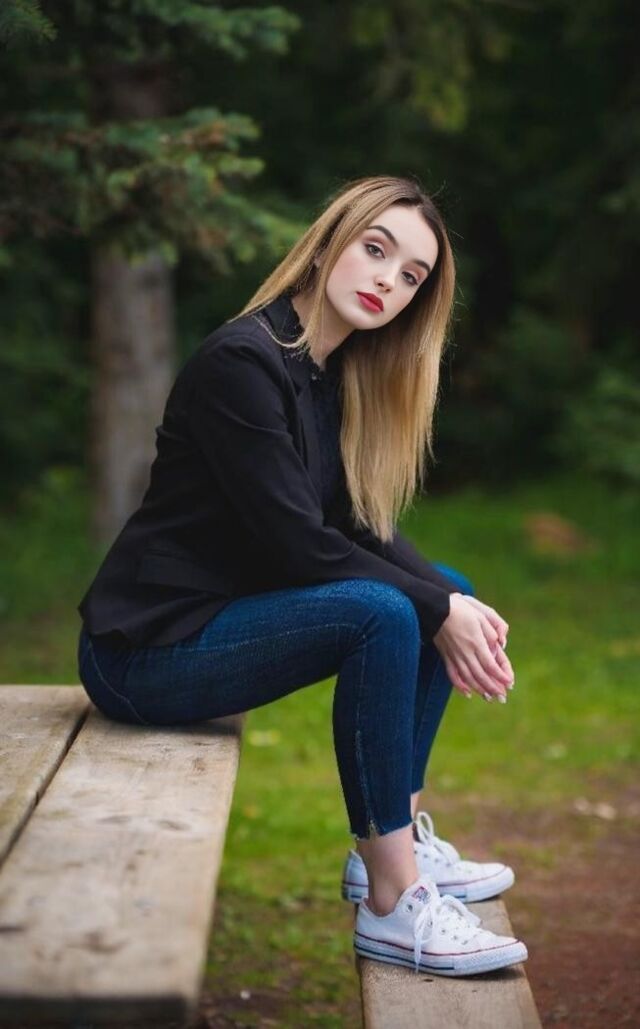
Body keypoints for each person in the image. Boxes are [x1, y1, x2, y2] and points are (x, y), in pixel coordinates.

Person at [77, 174, 528, 977]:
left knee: (439, 584)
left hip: (211, 623)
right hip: (142, 653)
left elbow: (355, 524)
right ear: (326, 246)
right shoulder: (243, 363)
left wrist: (451, 600)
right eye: (376, 249)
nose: (388, 280)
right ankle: (392, 898)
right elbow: (298, 547)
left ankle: (393, 841)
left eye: (411, 274)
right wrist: (435, 610)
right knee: (385, 611)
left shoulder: (325, 369)